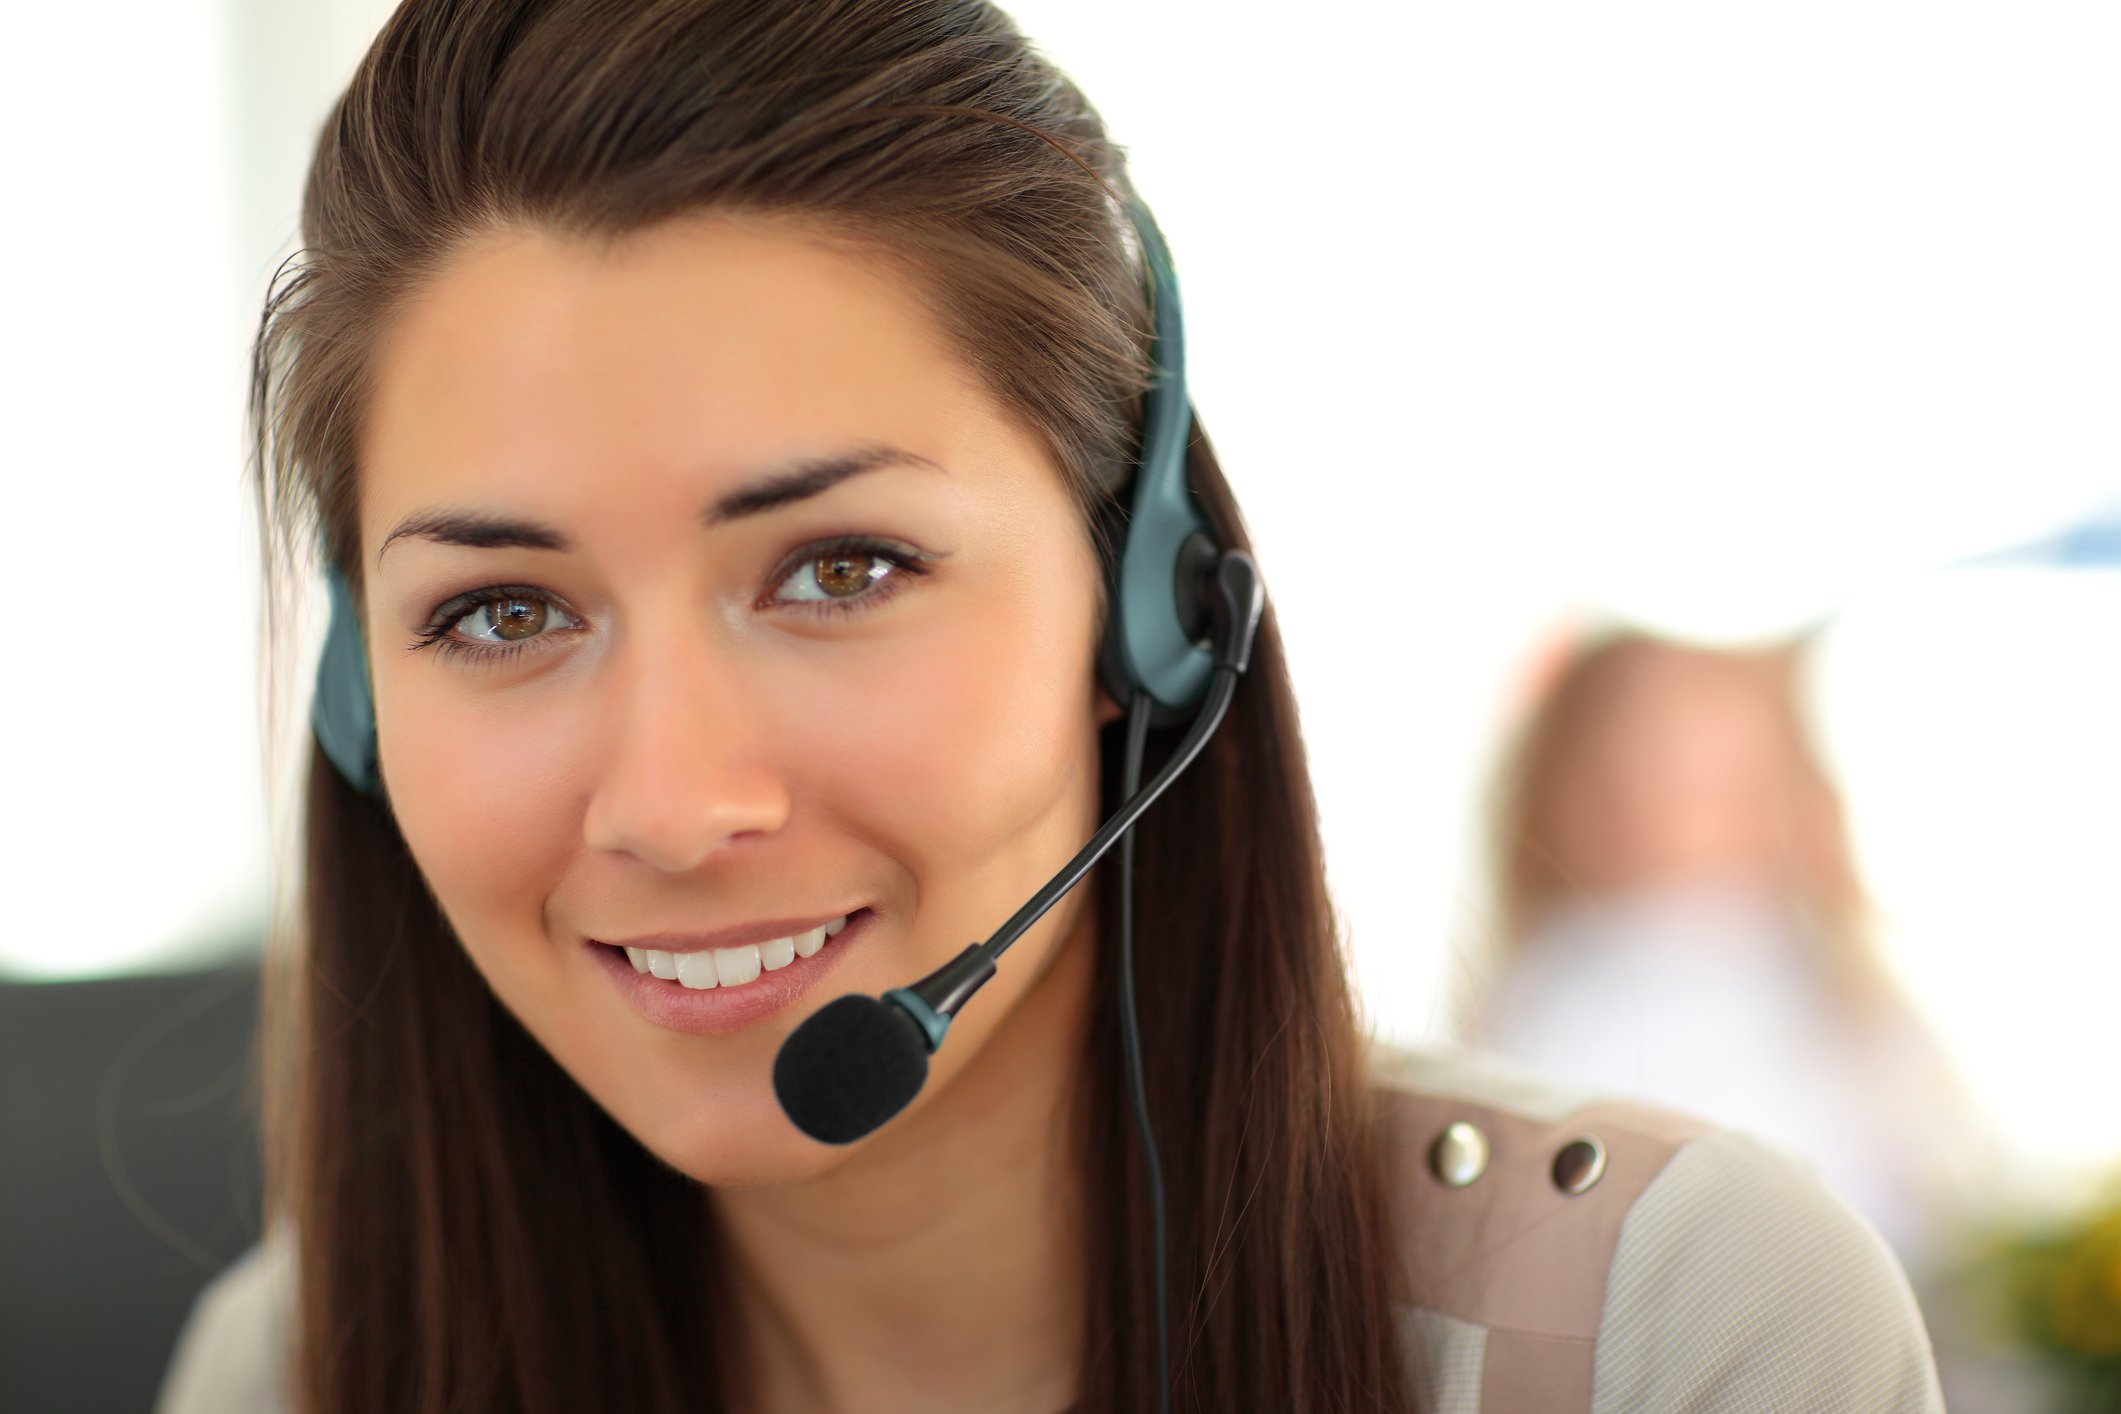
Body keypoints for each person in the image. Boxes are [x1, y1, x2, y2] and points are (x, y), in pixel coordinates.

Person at [157, 2, 1948, 1410]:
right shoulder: (300, 1372)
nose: (677, 799)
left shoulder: (1665, 1340)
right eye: (503, 609)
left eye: (839, 568)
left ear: (1146, 606)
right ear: (356, 700)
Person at [1464, 628, 1984, 1273]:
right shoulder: (1574, 998)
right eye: (1677, 786)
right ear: (1574, 800)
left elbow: (1950, 1188)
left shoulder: (1836, 982)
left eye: (1738, 786)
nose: (1711, 822)